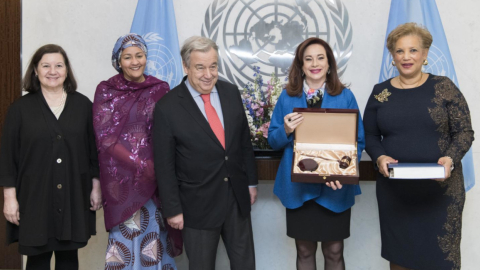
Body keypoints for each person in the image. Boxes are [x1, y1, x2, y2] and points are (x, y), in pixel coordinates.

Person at [363, 23, 474, 270]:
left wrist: (451, 158)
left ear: (425, 55)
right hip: (396, 194)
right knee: (401, 260)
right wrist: (380, 157)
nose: (406, 57)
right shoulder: (380, 93)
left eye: (413, 50)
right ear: (392, 56)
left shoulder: (444, 87)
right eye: (400, 51)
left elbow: (464, 132)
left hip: (441, 193)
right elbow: (370, 135)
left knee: (440, 261)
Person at [153, 36, 258, 270]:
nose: (208, 74)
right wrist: (173, 209)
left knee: (245, 264)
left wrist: (251, 183)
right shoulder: (167, 107)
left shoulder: (231, 92)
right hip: (196, 206)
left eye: (213, 66)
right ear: (186, 66)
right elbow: (164, 165)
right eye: (200, 67)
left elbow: (243, 143)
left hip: (236, 200)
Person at [0, 44, 101, 269]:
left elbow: (94, 150)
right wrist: (9, 198)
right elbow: (8, 156)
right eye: (45, 65)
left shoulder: (83, 105)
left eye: (58, 65)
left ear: (66, 70)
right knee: (37, 258)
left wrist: (96, 186)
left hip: (73, 193)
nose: (52, 71)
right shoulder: (20, 109)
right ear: (35, 70)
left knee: (68, 258)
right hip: (34, 196)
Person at [268, 37, 365, 270]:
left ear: (329, 63)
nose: (315, 63)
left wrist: (342, 173)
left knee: (334, 251)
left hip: (335, 188)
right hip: (298, 188)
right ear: (300, 65)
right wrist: (287, 129)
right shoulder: (287, 97)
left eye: (320, 57)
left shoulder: (345, 96)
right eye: (308, 59)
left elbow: (358, 141)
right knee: (304, 250)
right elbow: (273, 140)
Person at [92, 33, 181, 270]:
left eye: (139, 55)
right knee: (124, 247)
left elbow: (169, 133)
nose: (135, 62)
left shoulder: (160, 88)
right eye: (128, 57)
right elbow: (105, 138)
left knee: (154, 243)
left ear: (146, 57)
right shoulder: (106, 90)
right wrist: (141, 165)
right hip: (122, 184)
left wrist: (155, 169)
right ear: (118, 61)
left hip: (155, 183)